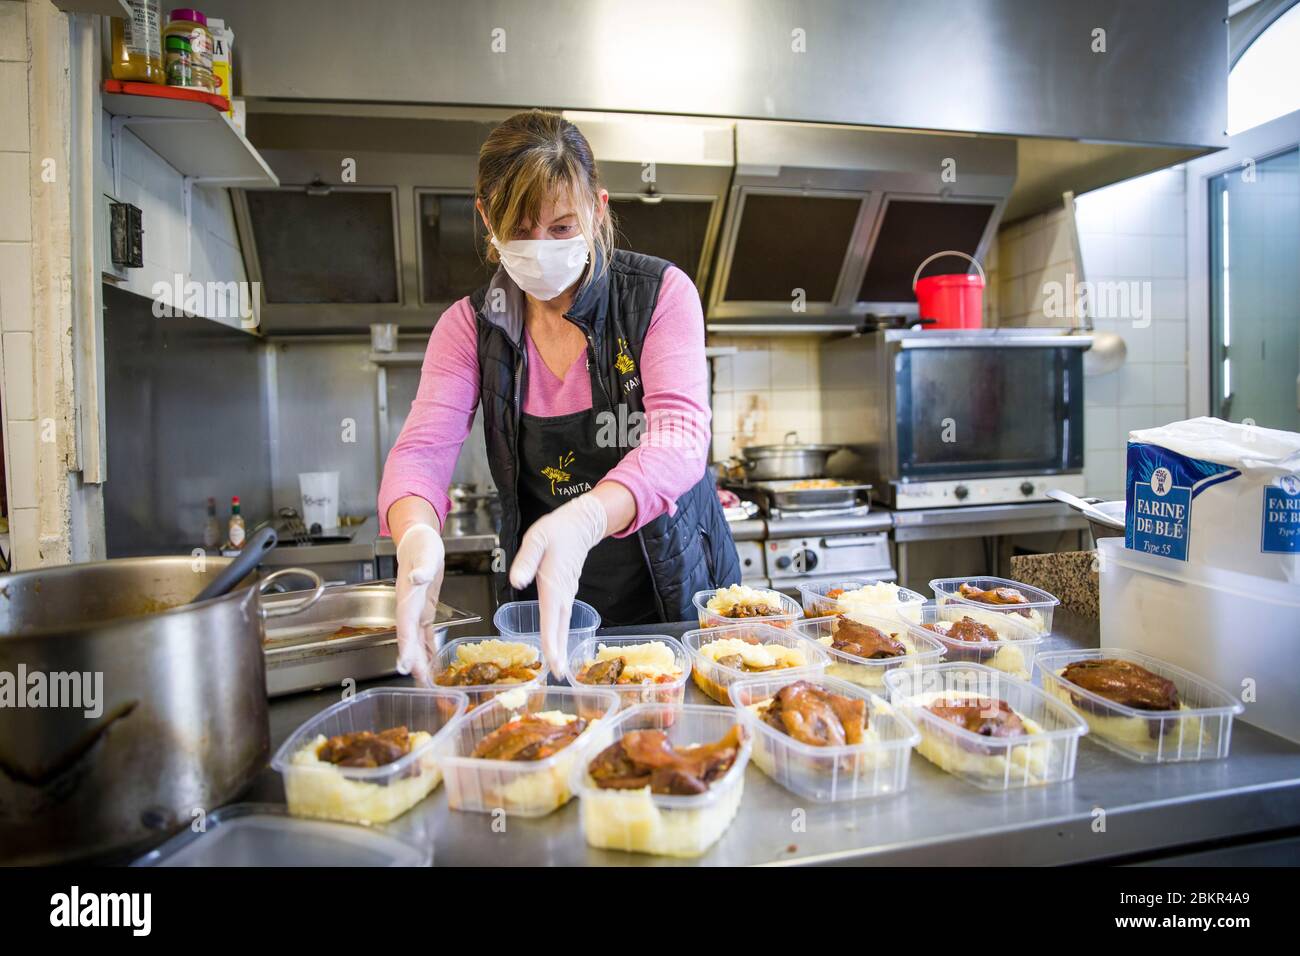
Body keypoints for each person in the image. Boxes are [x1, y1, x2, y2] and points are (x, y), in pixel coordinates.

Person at [380, 109, 739, 682]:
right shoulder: (470, 327)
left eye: (562, 227)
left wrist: (589, 517)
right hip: (546, 608)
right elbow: (421, 453)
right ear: (486, 220)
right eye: (520, 231)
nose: (541, 247)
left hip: (671, 593)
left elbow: (680, 438)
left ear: (598, 210)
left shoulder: (658, 295)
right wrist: (416, 534)